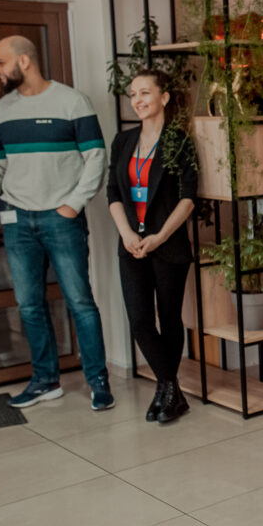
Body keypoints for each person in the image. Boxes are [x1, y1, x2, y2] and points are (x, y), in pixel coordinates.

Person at [0, 35, 111, 411]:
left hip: (61, 219)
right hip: (17, 220)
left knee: (80, 302)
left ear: (24, 61)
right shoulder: (2, 109)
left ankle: (98, 382)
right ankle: (46, 381)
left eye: (0, 62)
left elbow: (96, 157)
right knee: (29, 305)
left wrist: (73, 206)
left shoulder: (72, 101)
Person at [107, 69, 196, 424]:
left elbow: (188, 198)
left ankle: (167, 394)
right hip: (131, 245)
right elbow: (113, 193)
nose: (137, 100)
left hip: (168, 244)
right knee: (140, 321)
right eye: (133, 94)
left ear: (164, 97)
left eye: (145, 92)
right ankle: (170, 388)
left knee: (170, 318)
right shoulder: (123, 141)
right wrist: (127, 233)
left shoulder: (179, 142)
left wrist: (160, 236)